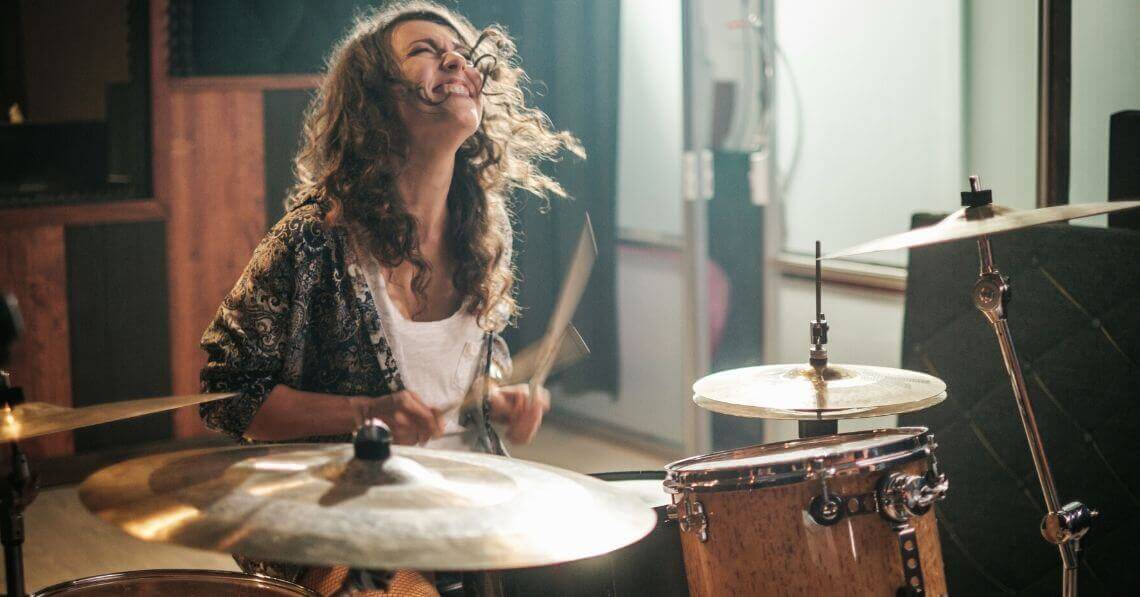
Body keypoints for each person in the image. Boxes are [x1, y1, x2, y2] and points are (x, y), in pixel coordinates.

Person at [198, 1, 583, 593]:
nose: (455, 58)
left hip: (467, 507)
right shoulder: (315, 239)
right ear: (375, 99)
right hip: (349, 525)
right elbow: (227, 395)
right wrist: (362, 413)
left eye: (462, 52)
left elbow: (472, 364)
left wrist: (500, 399)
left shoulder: (485, 233)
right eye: (425, 52)